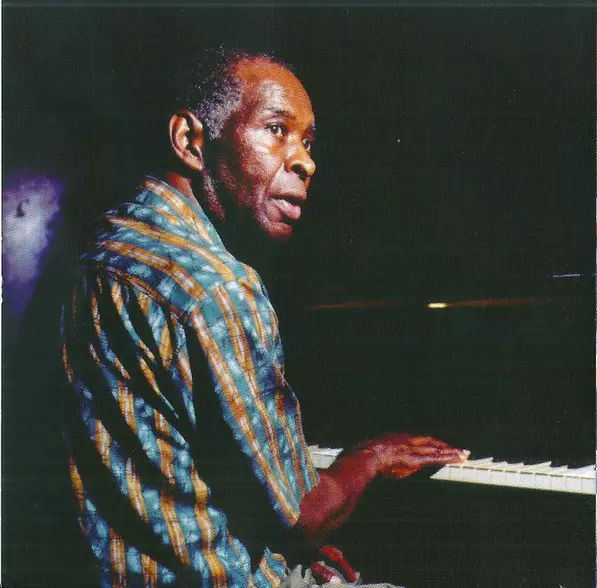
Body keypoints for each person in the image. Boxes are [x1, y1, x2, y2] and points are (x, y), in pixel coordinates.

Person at [60, 47, 469, 587]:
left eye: (308, 142)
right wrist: (370, 457)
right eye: (277, 130)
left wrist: (283, 551)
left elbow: (163, 472)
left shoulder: (102, 254)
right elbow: (303, 518)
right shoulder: (218, 286)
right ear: (190, 141)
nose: (305, 162)